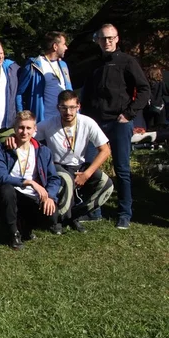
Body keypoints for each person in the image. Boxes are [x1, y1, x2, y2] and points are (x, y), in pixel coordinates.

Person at [80, 24, 150, 229]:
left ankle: (124, 213)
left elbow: (144, 89)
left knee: (122, 169)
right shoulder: (94, 65)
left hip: (119, 122)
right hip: (96, 124)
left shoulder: (128, 61)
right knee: (90, 167)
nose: (107, 41)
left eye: (111, 38)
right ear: (97, 41)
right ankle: (94, 211)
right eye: (103, 38)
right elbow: (87, 93)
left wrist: (129, 114)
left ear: (117, 39)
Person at [33, 90, 113, 232]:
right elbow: (27, 135)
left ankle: (75, 215)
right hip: (57, 166)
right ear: (58, 107)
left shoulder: (87, 122)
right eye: (63, 107)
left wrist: (87, 174)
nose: (68, 112)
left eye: (72, 107)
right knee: (67, 180)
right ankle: (58, 220)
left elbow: (105, 150)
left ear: (78, 107)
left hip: (80, 166)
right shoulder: (48, 124)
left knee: (106, 184)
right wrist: (12, 138)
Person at [0, 111, 62, 250]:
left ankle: (25, 227)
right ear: (14, 128)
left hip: (32, 196)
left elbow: (54, 178)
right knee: (6, 189)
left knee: (52, 217)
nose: (24, 132)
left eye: (28, 128)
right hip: (12, 193)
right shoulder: (2, 148)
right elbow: (0, 176)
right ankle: (14, 234)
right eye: (21, 127)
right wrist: (30, 182)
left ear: (35, 129)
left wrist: (50, 196)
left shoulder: (43, 151)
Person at [17, 32, 73, 122]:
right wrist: (21, 116)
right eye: (64, 44)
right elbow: (19, 93)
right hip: (43, 121)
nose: (66, 47)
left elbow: (70, 91)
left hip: (64, 119)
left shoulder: (63, 65)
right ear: (55, 46)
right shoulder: (33, 65)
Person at [143, 66, 166, 130]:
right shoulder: (161, 83)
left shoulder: (146, 84)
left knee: (149, 128)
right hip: (160, 108)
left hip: (148, 107)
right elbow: (166, 92)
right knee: (160, 127)